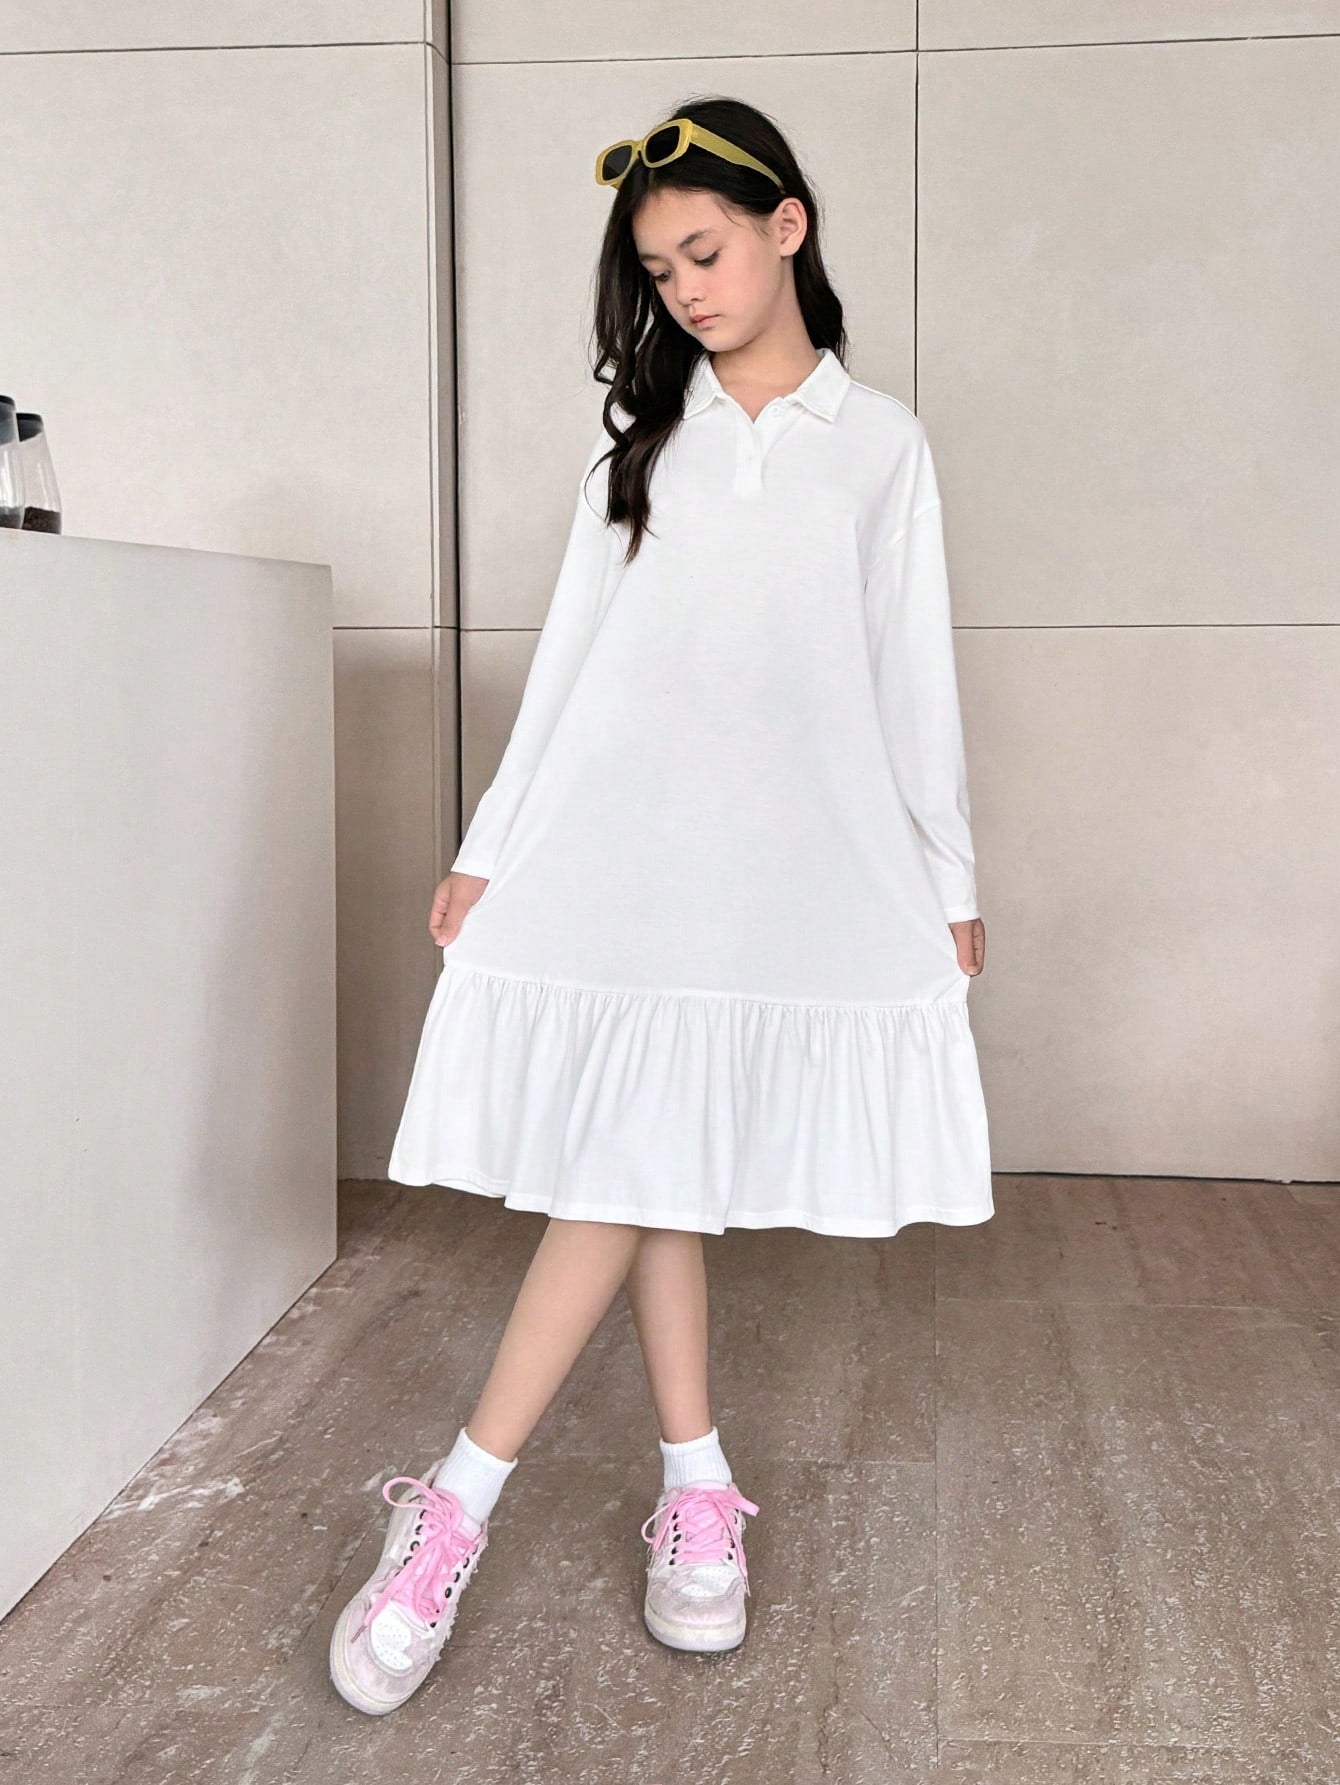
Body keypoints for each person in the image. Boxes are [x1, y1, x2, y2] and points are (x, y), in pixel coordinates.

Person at [328, 94, 993, 1718]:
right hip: (625, 855)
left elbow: (911, 675)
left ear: (788, 227)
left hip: (786, 867)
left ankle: (550, 1494)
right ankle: (564, 1497)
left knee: (645, 1166)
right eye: (659, 269)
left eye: (704, 251)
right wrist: (491, 844)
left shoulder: (883, 446)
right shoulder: (639, 445)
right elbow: (568, 664)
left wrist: (948, 872)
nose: (685, 289)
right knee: (637, 1166)